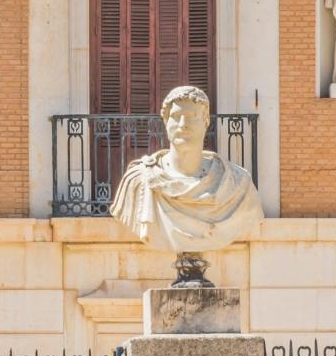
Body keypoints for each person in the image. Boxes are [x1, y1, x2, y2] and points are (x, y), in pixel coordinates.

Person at [109, 85, 262, 285]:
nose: (183, 124)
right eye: (176, 116)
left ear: (206, 121)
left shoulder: (238, 184)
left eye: (192, 116)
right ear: (165, 121)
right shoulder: (138, 181)